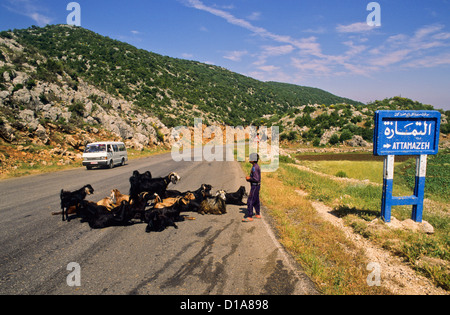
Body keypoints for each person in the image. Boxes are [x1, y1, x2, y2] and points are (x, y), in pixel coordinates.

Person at [243, 153, 261, 222]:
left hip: (255, 186)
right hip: (257, 186)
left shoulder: (255, 167)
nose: (249, 159)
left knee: (250, 200)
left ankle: (250, 216)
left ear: (253, 160)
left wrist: (249, 178)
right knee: (256, 200)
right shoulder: (255, 166)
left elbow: (256, 179)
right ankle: (257, 214)